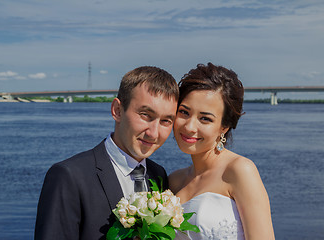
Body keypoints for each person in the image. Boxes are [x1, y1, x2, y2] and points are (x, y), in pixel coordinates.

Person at [34, 66, 179, 240]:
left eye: (166, 121)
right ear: (117, 111)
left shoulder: (158, 174)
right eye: (145, 115)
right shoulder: (69, 176)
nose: (154, 133)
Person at [170, 63, 275, 239]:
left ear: (224, 127)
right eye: (184, 112)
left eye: (205, 118)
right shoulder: (174, 181)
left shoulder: (239, 170)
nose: (189, 126)